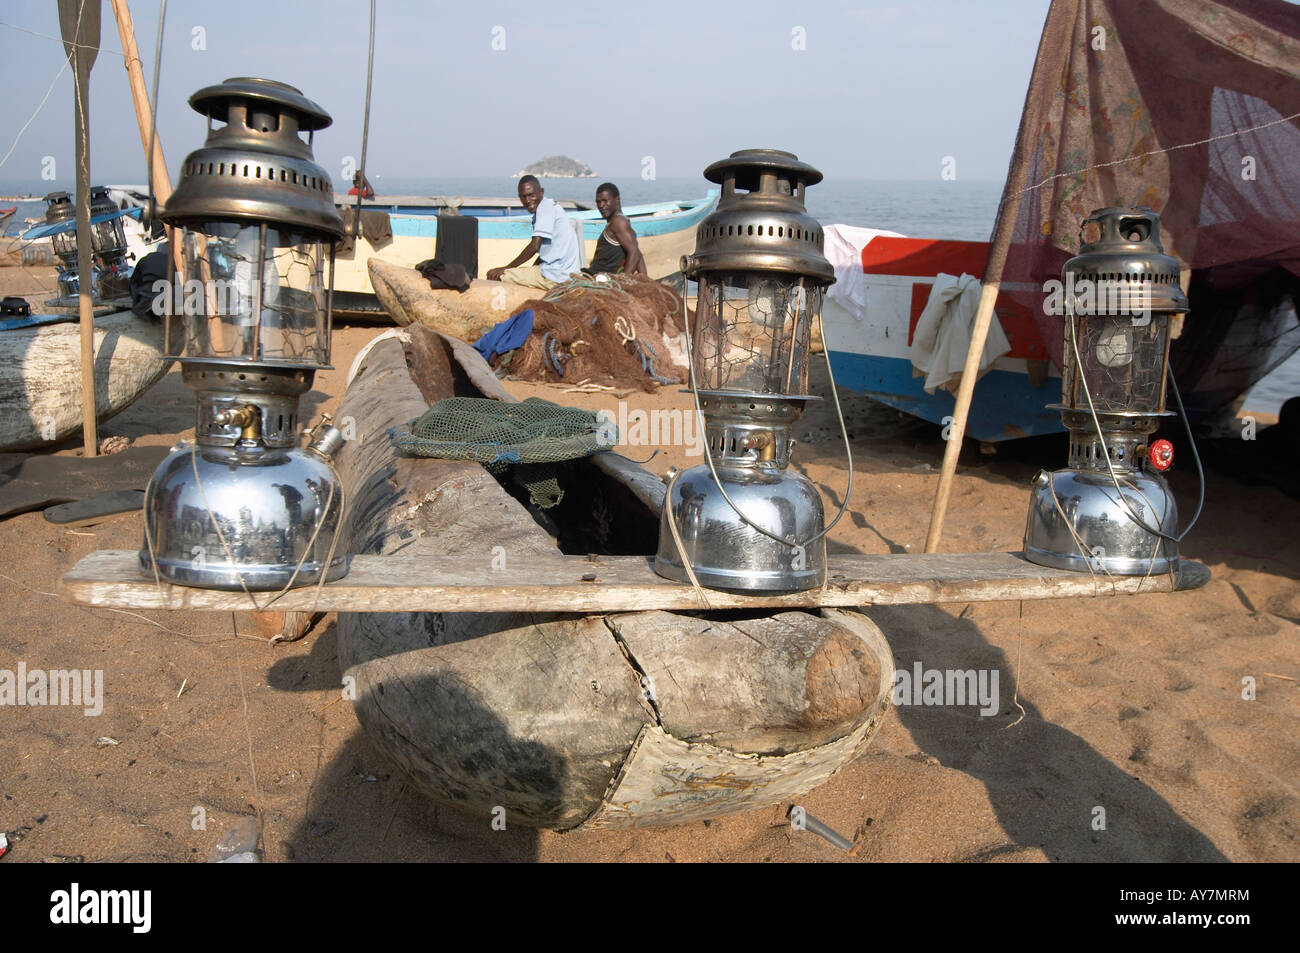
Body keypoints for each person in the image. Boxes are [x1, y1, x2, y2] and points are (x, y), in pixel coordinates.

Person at [486, 175, 583, 288]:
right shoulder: (550, 207)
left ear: (541, 192)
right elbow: (544, 254)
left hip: (555, 276)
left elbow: (534, 246)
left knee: (495, 275)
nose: (527, 201)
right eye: (523, 197)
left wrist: (507, 268)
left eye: (531, 195)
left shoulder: (544, 207)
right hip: (563, 272)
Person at [585, 182, 646, 277]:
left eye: (605, 201)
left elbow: (633, 251)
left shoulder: (618, 221)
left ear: (617, 199)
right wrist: (644, 276)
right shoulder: (621, 222)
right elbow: (636, 251)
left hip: (602, 278)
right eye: (598, 202)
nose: (601, 205)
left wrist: (624, 280)